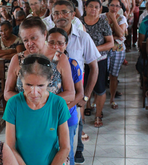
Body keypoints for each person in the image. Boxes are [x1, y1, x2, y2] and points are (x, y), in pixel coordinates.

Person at [52, 1, 100, 163]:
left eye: (65, 12)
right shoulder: (48, 38)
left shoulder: (82, 37)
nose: (60, 16)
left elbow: (94, 67)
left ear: (73, 15)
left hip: (74, 98)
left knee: (70, 142)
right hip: (51, 101)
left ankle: (77, 152)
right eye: (57, 13)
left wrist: (85, 97)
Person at [3, 54, 70, 165]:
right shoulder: (13, 104)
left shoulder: (58, 104)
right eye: (28, 84)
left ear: (50, 80)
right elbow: (10, 146)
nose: (34, 92)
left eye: (40, 85)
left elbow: (65, 147)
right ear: (21, 79)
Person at [4, 16, 75, 105]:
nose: (30, 43)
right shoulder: (17, 59)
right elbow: (7, 93)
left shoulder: (60, 58)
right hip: (25, 110)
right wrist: (28, 102)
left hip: (50, 111)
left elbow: (70, 94)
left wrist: (42, 103)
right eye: (25, 40)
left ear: (45, 34)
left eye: (34, 38)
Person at [47, 27, 83, 165]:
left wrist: (66, 107)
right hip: (47, 114)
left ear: (66, 44)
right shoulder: (41, 64)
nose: (56, 46)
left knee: (66, 152)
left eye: (60, 43)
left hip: (67, 114)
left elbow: (80, 93)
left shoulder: (72, 64)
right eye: (51, 42)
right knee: (50, 150)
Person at [80, 0, 114, 127]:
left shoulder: (103, 23)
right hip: (81, 61)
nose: (93, 9)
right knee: (81, 89)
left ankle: (98, 115)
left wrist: (93, 49)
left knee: (99, 89)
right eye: (90, 6)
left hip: (99, 60)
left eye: (96, 7)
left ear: (100, 9)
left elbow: (110, 43)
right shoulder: (79, 22)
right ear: (85, 7)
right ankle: (81, 118)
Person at [100, 0, 127, 109]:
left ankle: (112, 99)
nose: (114, 8)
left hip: (118, 50)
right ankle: (97, 99)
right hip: (103, 49)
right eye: (112, 5)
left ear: (120, 7)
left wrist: (114, 19)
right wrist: (113, 37)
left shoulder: (121, 18)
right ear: (108, 5)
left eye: (117, 6)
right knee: (101, 75)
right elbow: (98, 35)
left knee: (113, 75)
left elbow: (121, 34)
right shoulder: (101, 17)